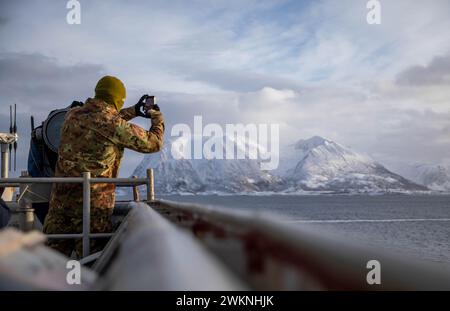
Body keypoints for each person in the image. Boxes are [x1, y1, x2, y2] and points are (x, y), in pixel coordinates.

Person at [43, 76, 164, 257]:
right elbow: (154, 143)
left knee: (50, 262)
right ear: (118, 100)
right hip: (93, 209)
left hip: (60, 204)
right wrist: (157, 117)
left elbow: (101, 120)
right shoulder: (114, 125)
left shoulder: (72, 115)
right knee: (91, 263)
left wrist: (134, 111)